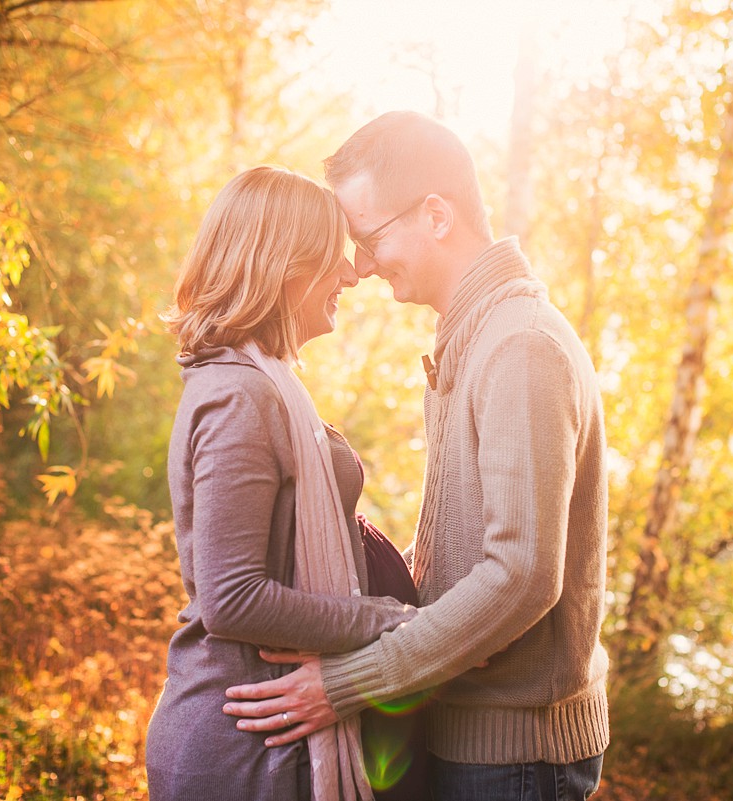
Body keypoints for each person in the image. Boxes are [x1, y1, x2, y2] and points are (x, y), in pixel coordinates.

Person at [223, 112, 611, 801]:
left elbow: (521, 575)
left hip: (512, 756)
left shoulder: (520, 346)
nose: (362, 267)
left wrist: (347, 683)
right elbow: (462, 548)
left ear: (437, 215)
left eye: (369, 238)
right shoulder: (473, 336)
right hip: (466, 731)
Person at [146, 165, 428, 801]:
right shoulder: (242, 397)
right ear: (285, 266)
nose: (352, 275)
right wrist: (391, 622)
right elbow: (232, 598)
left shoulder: (265, 385)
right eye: (334, 257)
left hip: (259, 732)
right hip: (238, 746)